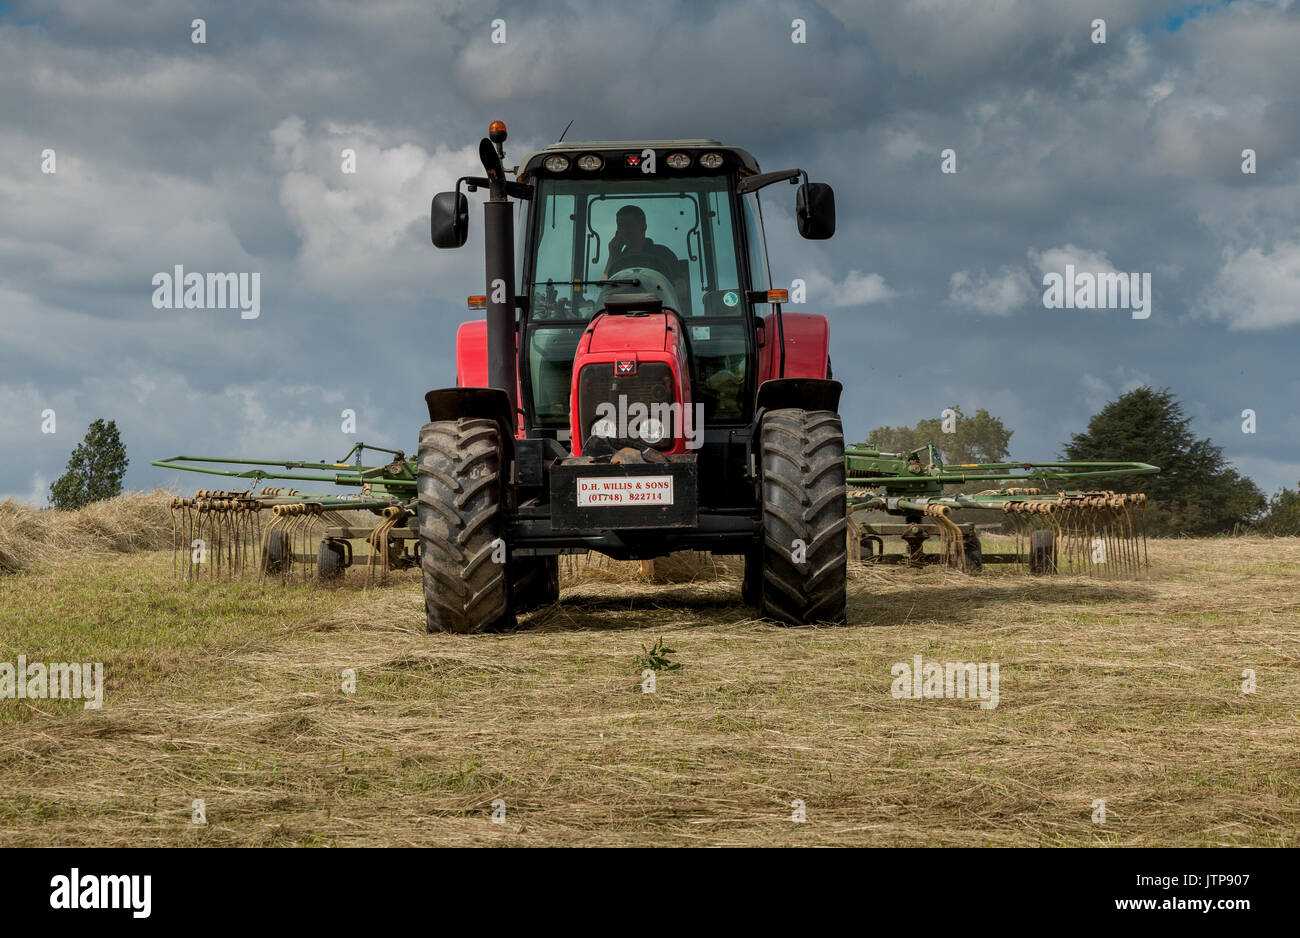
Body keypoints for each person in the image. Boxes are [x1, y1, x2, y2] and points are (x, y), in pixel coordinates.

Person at [603, 205, 688, 304]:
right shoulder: (617, 261)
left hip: (660, 313)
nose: (625, 231)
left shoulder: (664, 254)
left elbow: (682, 289)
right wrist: (613, 255)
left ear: (643, 226)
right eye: (621, 226)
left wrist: (655, 297)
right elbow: (604, 293)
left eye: (629, 225)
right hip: (623, 315)